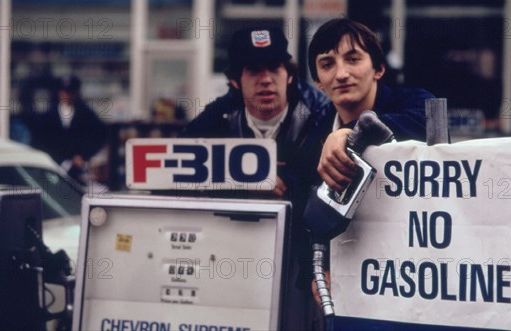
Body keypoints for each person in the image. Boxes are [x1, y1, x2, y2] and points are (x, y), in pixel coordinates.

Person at [179, 26, 330, 330]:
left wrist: (286, 174)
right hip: (238, 252)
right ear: (236, 80)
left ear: (288, 74)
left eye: (274, 68)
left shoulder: (319, 112)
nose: (266, 79)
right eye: (254, 70)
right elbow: (179, 162)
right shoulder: (221, 114)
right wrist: (243, 173)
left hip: (304, 254)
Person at [303, 18, 434, 326]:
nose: (342, 73)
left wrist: (348, 134)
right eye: (327, 64)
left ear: (378, 69)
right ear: (319, 81)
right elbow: (303, 213)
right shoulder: (314, 133)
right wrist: (315, 272)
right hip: (347, 275)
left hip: (414, 274)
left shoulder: (414, 102)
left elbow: (429, 125)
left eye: (353, 58)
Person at [30, 75, 107, 187]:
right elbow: (39, 141)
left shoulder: (86, 114)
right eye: (64, 92)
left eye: (71, 92)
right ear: (59, 93)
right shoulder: (47, 116)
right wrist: (54, 158)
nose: (67, 95)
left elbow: (99, 135)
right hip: (53, 166)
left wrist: (83, 155)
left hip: (78, 169)